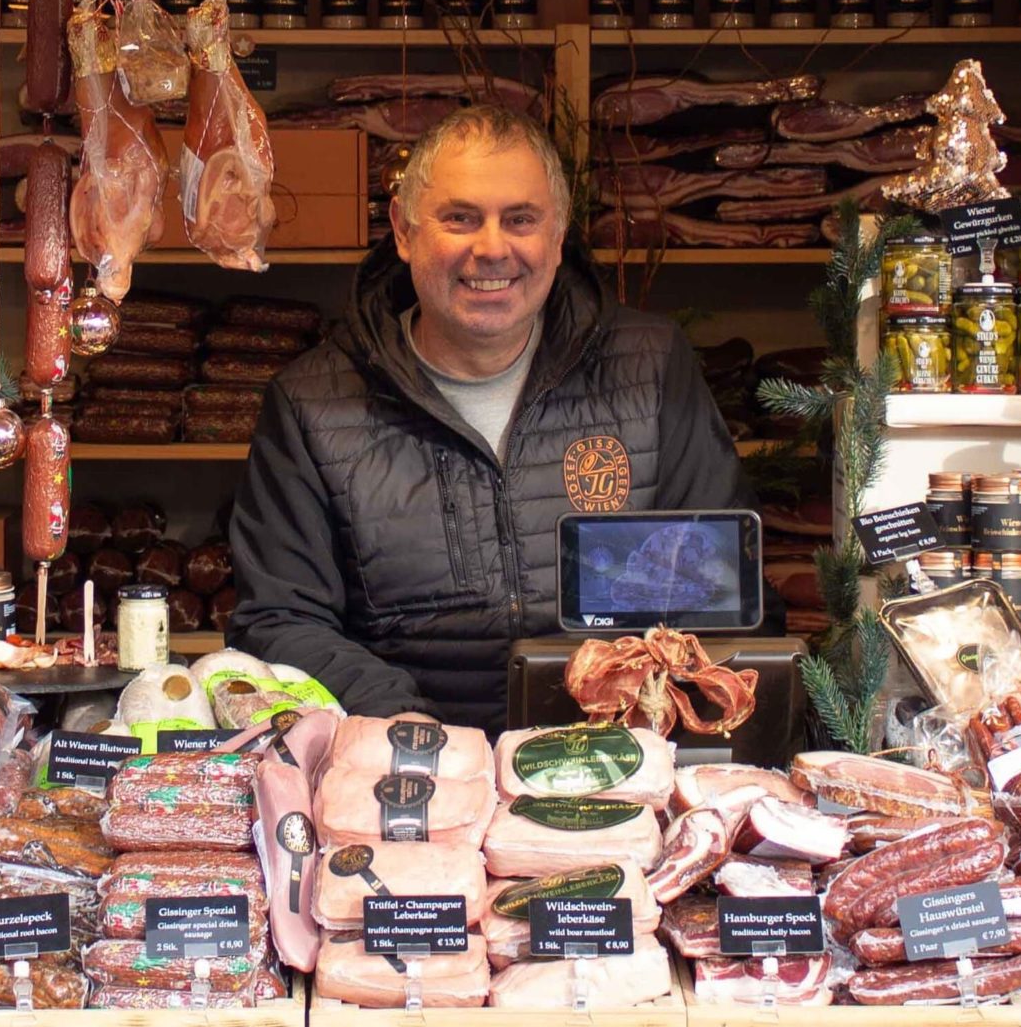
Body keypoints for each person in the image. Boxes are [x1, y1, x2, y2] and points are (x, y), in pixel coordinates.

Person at [228, 104, 753, 729]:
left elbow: (721, 596)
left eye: (521, 220)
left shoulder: (650, 368)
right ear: (402, 229)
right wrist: (404, 722)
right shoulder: (312, 403)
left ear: (557, 236)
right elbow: (281, 619)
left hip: (622, 762)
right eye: (460, 218)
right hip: (408, 774)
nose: (492, 248)